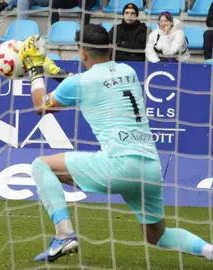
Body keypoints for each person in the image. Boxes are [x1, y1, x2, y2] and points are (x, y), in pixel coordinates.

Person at [18, 25, 213, 262]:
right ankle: (209, 251)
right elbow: (94, 84)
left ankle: (64, 235)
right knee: (156, 235)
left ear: (82, 54)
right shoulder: (127, 70)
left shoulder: (79, 82)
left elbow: (42, 105)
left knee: (41, 166)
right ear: (110, 47)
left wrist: (36, 69)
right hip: (150, 167)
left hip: (118, 165)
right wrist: (56, 70)